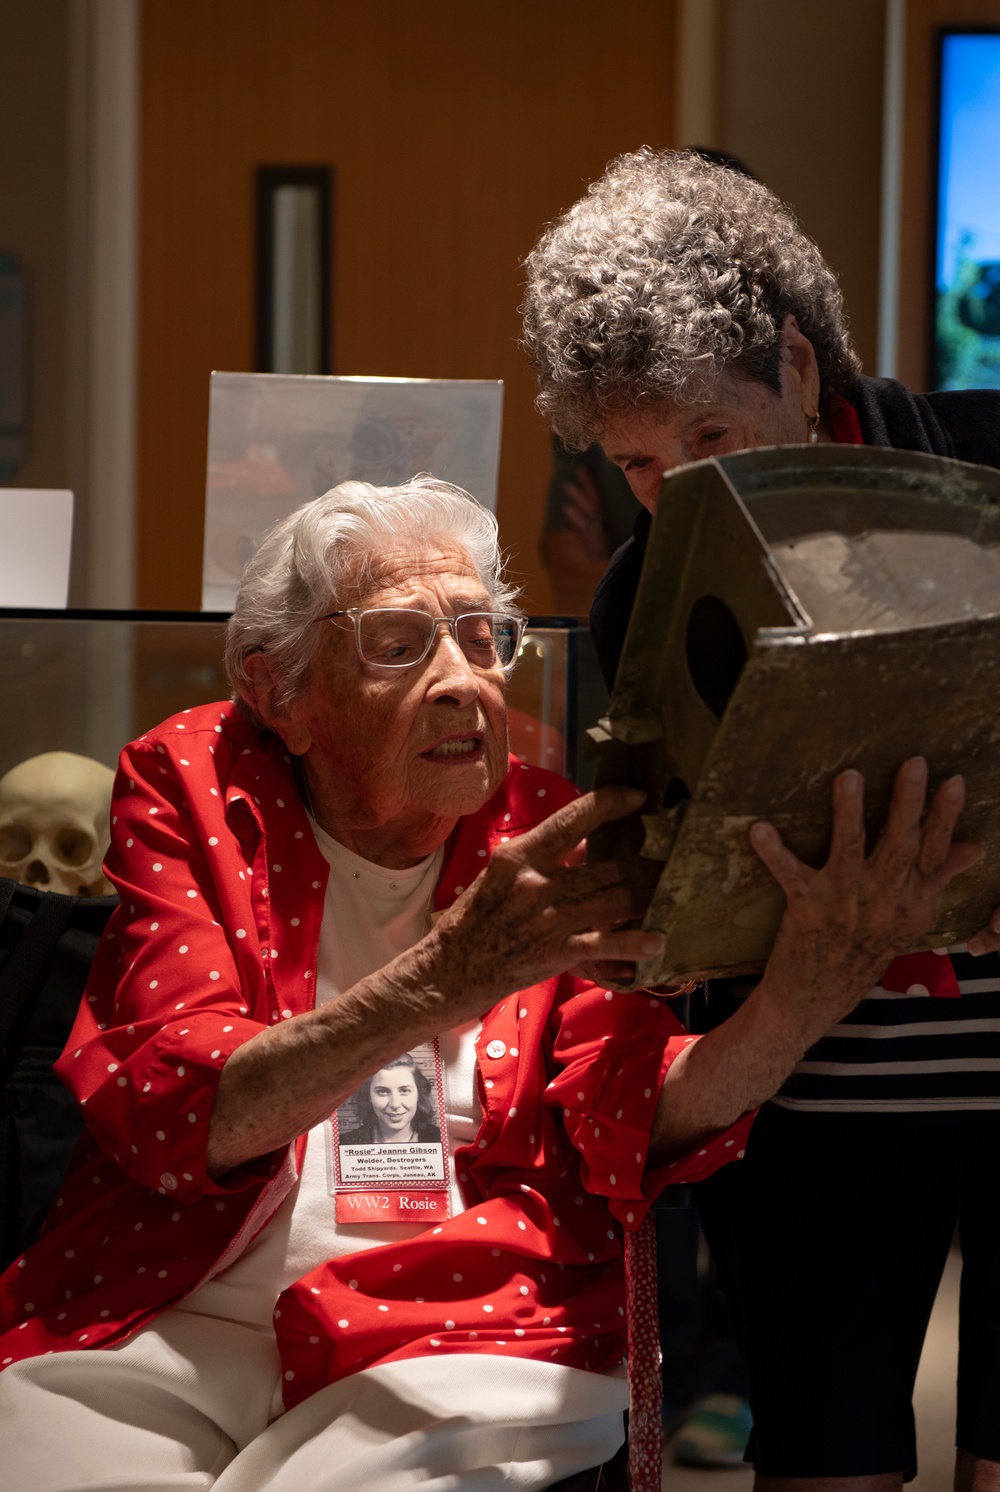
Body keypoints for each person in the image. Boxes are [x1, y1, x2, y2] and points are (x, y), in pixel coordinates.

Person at [0, 476, 975, 1492]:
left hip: (454, 1321)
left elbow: (632, 1110)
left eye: (481, 634)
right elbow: (174, 1115)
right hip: (170, 1297)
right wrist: (447, 974)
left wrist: (806, 995)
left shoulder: (547, 829)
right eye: (399, 641)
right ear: (278, 690)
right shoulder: (193, 783)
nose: (464, 679)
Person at [522, 147, 1000, 1492]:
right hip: (821, 1093)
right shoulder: (637, 596)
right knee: (824, 1459)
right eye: (636, 461)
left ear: (797, 362)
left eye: (712, 438)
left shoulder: (985, 464)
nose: (678, 491)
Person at [339, 1053, 442, 1146]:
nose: (395, 1104)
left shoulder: (440, 1139)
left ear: (419, 1094)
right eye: (383, 1092)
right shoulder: (344, 1143)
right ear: (368, 1095)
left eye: (404, 1091)